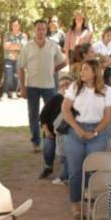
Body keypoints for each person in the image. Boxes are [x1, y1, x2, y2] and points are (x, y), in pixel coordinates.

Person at [61, 60, 111, 219]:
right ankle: (76, 204)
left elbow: (108, 115)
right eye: (81, 69)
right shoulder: (75, 87)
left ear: (95, 72)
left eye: (85, 69)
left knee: (93, 171)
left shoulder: (107, 91)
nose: (81, 72)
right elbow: (65, 109)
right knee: (75, 171)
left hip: (97, 132)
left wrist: (96, 132)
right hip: (74, 131)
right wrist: (77, 129)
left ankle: (91, 204)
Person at [20, 19, 67, 152]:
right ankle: (35, 141)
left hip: (49, 85)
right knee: (33, 114)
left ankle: (51, 139)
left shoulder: (53, 46)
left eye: (43, 29)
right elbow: (21, 67)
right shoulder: (27, 46)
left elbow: (63, 62)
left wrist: (53, 69)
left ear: (46, 31)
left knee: (52, 113)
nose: (41, 31)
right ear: (34, 30)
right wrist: (22, 87)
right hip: (32, 86)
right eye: (38, 29)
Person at [2, 18, 26, 97]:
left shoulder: (23, 35)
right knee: (8, 76)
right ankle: (5, 92)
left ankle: (14, 92)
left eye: (17, 25)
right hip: (8, 58)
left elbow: (23, 47)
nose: (15, 27)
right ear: (11, 26)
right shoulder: (7, 34)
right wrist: (16, 47)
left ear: (19, 26)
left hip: (19, 59)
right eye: (13, 25)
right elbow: (5, 46)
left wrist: (11, 46)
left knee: (17, 76)